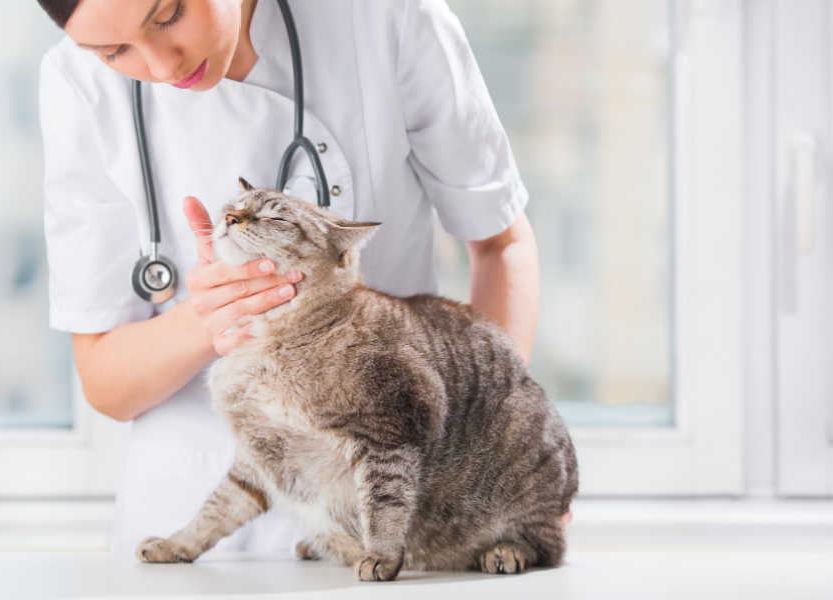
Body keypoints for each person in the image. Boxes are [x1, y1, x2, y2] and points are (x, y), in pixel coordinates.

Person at [36, 0, 553, 560]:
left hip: (404, 517)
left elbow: (500, 244)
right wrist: (206, 320)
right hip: (197, 541)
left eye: (169, 15)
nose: (162, 67)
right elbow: (106, 383)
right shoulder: (76, 82)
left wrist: (506, 455)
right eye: (114, 51)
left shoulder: (383, 17)